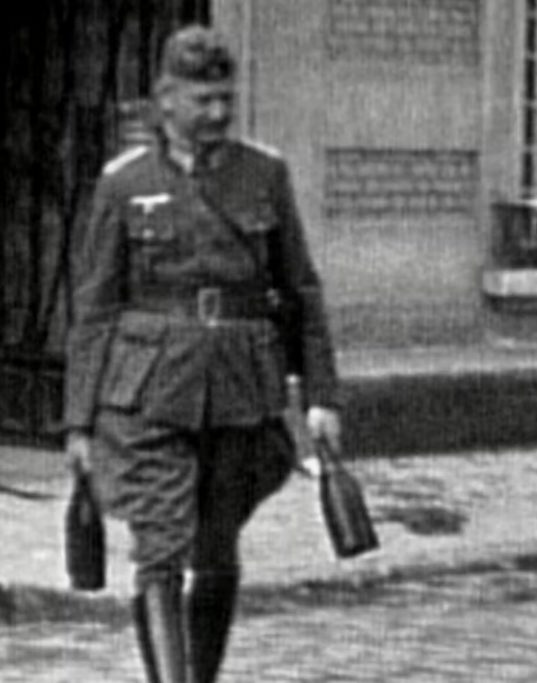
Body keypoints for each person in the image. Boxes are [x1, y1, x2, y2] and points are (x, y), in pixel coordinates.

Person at [64, 25, 342, 683]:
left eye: (226, 99)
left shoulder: (263, 175)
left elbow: (300, 290)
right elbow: (95, 309)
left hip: (240, 391)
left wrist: (322, 396)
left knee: (217, 550)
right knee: (159, 547)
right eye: (202, 100)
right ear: (166, 100)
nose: (218, 112)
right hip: (147, 393)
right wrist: (79, 422)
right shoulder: (124, 184)